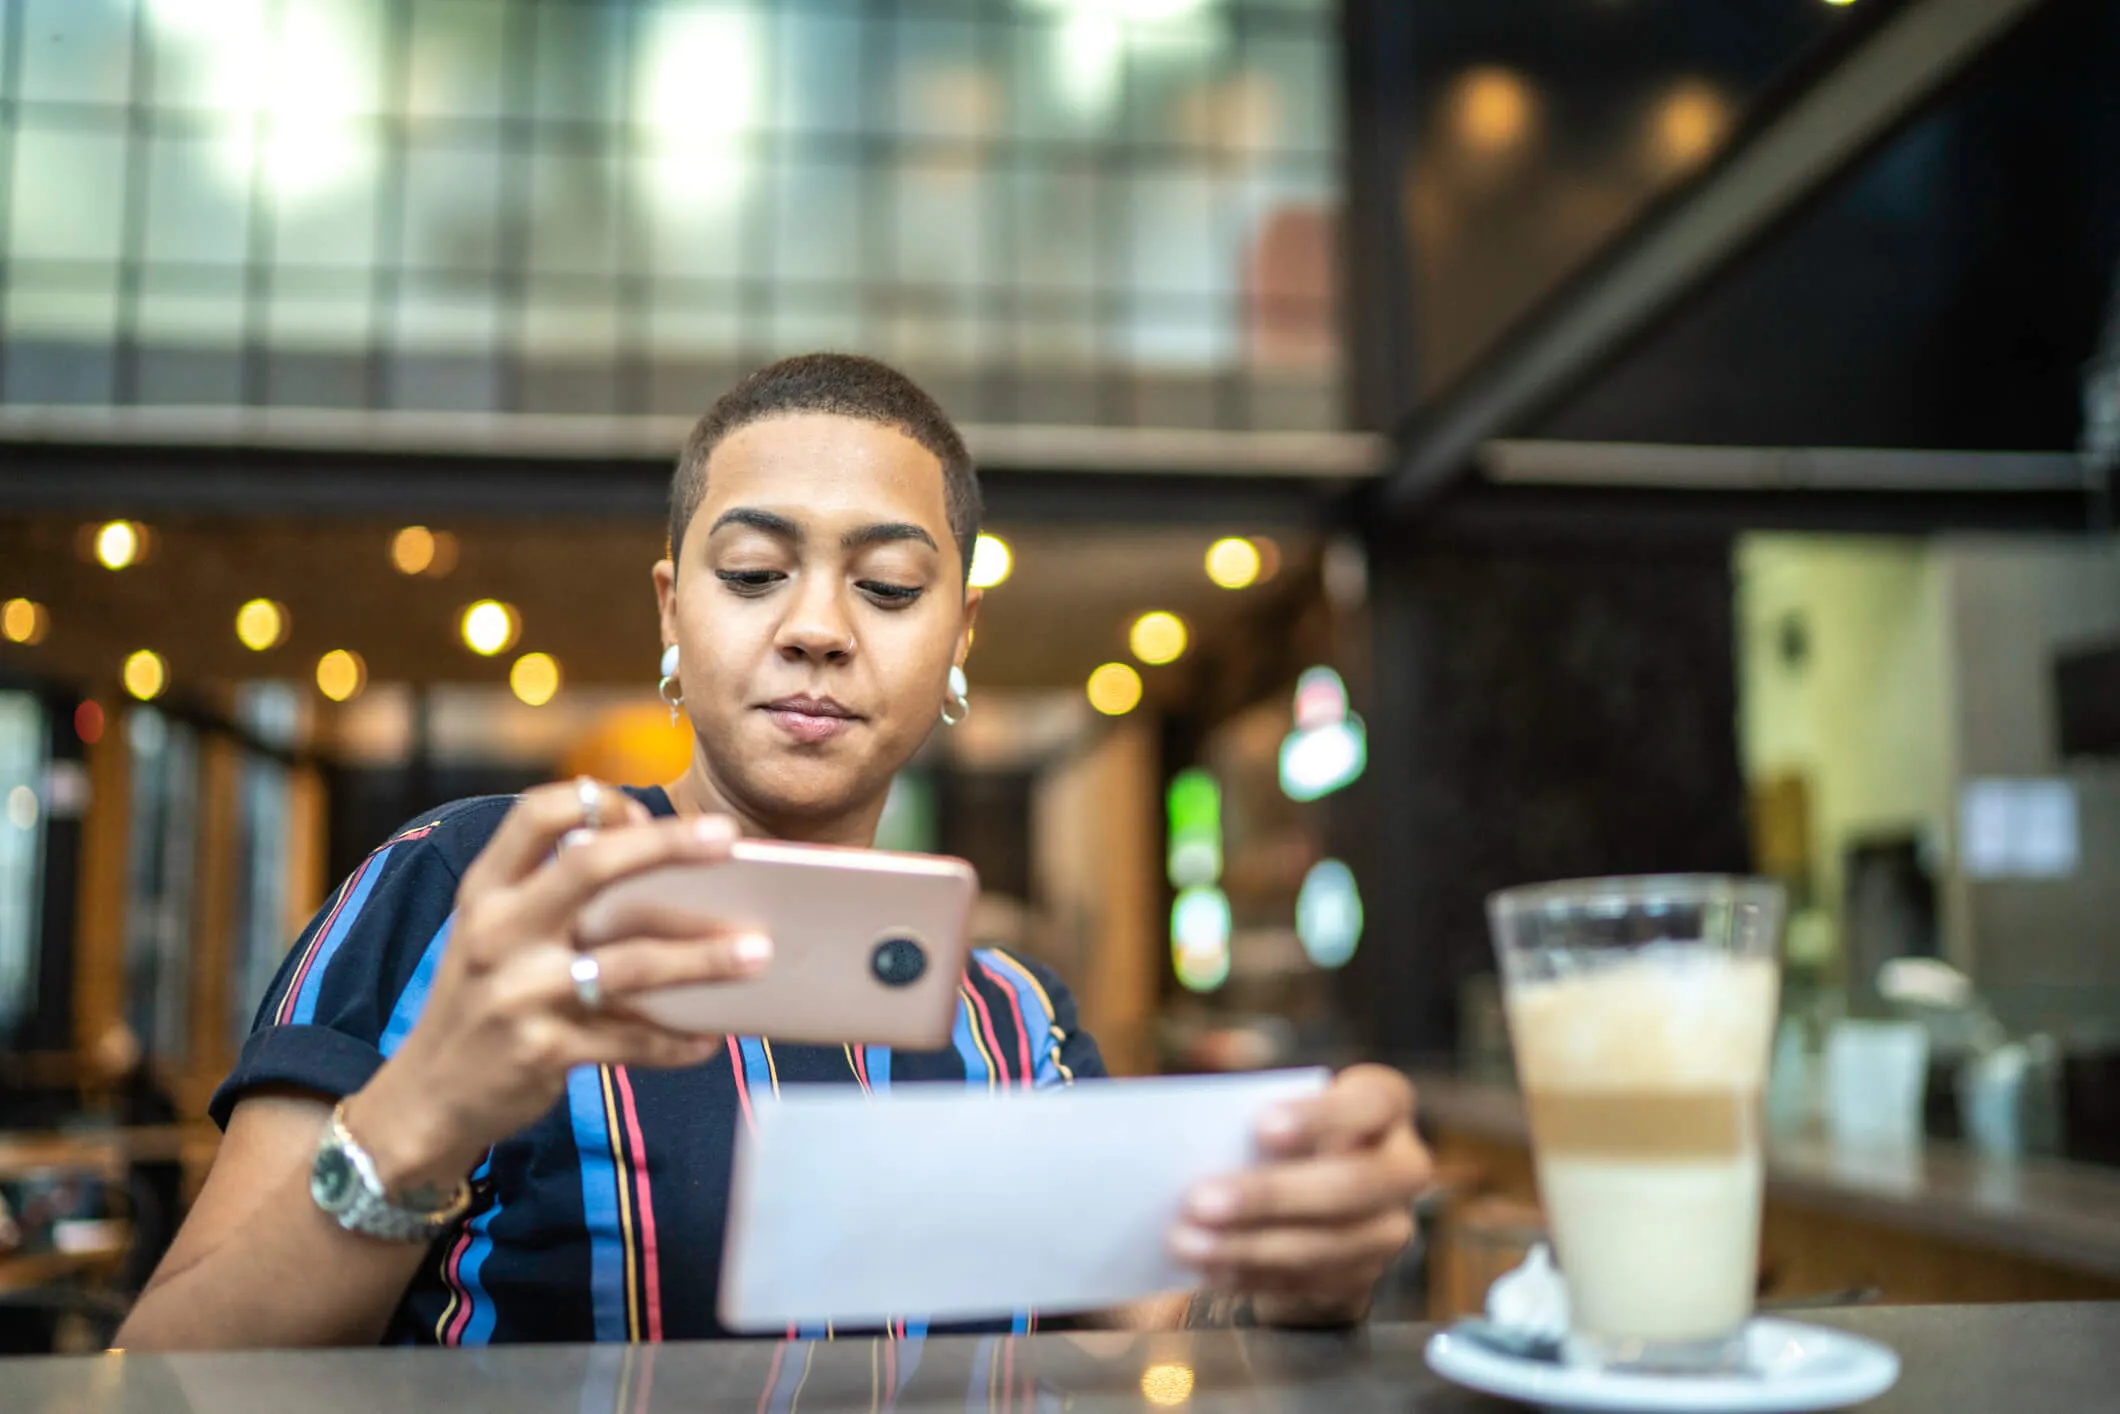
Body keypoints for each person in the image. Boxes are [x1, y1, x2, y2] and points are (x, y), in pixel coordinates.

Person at [116, 354, 1432, 1349]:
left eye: (890, 586)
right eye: (753, 571)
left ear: (959, 636)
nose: (817, 627)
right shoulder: (471, 888)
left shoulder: (1013, 1017)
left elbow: (1130, 1352)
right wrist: (427, 1112)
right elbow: (165, 1368)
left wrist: (1291, 1276)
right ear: (672, 604)